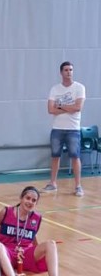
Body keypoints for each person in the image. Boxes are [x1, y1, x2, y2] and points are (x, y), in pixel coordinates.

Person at [0, 186, 76, 276]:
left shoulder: (37, 217)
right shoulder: (6, 211)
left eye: (34, 200)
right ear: (21, 198)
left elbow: (32, 236)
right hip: (6, 253)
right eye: (27, 198)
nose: (30, 202)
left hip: (24, 254)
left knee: (51, 243)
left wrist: (39, 250)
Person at [46, 61, 87, 196]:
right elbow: (51, 109)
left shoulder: (79, 87)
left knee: (75, 156)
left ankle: (78, 186)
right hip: (57, 128)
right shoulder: (55, 89)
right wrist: (68, 108)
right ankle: (53, 183)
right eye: (66, 70)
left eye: (70, 70)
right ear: (61, 72)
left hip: (73, 129)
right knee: (55, 156)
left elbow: (78, 107)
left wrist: (60, 106)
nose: (69, 72)